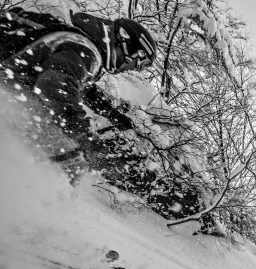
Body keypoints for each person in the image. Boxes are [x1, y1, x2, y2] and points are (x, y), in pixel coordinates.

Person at [0, 7, 157, 168]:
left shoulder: (80, 42)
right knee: (71, 157)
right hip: (9, 89)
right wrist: (85, 136)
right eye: (138, 64)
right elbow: (54, 85)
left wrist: (112, 113)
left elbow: (78, 85)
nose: (131, 69)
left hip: (9, 85)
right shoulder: (87, 52)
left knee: (67, 151)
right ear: (127, 48)